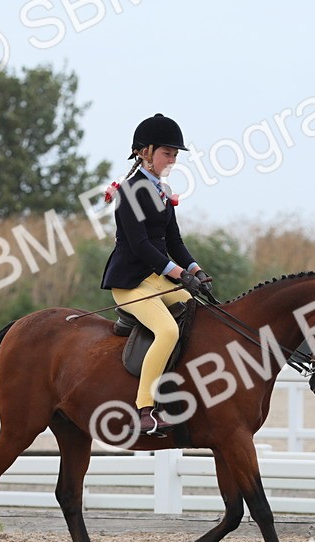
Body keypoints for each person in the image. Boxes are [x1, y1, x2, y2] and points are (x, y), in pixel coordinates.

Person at [101, 113, 212, 437]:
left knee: (198, 312)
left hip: (158, 280)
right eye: (167, 153)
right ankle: (145, 410)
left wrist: (195, 270)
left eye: (175, 155)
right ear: (144, 152)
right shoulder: (129, 192)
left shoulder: (163, 191)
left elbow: (174, 241)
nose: (172, 160)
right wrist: (178, 273)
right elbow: (140, 245)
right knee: (167, 331)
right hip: (130, 283)